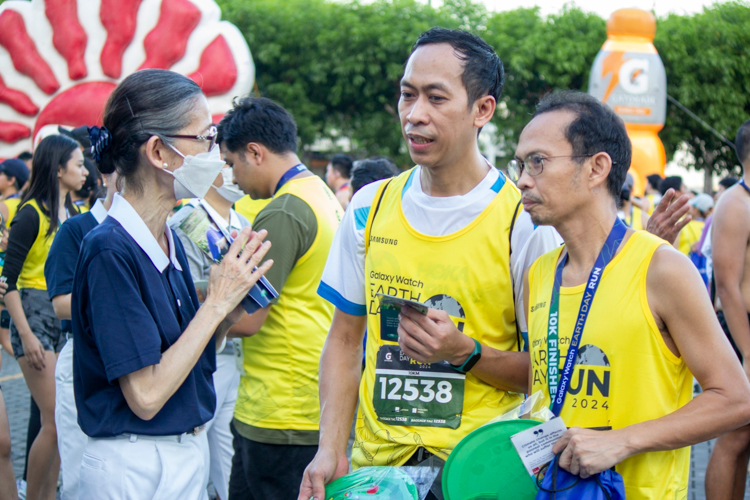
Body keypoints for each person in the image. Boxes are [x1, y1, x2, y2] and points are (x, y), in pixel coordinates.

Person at [519, 90, 750, 500]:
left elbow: (735, 399)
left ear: (596, 168)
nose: (522, 178)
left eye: (538, 161)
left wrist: (621, 441)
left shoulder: (663, 269)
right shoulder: (539, 273)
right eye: (520, 164)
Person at [71, 69, 272, 500]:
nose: (216, 154)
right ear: (159, 151)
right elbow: (145, 394)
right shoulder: (110, 249)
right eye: (204, 138)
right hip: (136, 466)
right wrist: (216, 303)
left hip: (178, 454)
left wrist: (231, 302)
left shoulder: (170, 238)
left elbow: (183, 347)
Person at [218, 96, 344, 500]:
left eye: (231, 162)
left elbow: (250, 318)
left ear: (255, 152)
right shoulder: (319, 194)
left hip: (280, 410)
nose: (231, 176)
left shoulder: (283, 211)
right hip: (308, 400)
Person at [1, 134, 87, 500]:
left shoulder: (80, 214)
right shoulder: (30, 214)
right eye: (79, 164)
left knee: (63, 422)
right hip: (33, 315)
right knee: (53, 419)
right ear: (58, 169)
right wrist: (25, 334)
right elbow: (7, 282)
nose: (85, 171)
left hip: (66, 318)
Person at [168, 166, 250, 500]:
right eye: (225, 165)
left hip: (235, 350)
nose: (233, 173)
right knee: (195, 445)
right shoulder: (186, 220)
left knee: (226, 447)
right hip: (200, 349)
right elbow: (186, 292)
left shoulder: (242, 223)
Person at [43, 169, 117, 500]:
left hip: (129, 356)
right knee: (78, 469)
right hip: (83, 356)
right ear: (110, 175)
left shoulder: (153, 230)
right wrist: (123, 298)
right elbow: (60, 304)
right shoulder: (76, 229)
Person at [706, 119, 750, 500]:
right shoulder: (736, 203)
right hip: (742, 330)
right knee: (734, 435)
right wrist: (749, 350)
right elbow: (728, 285)